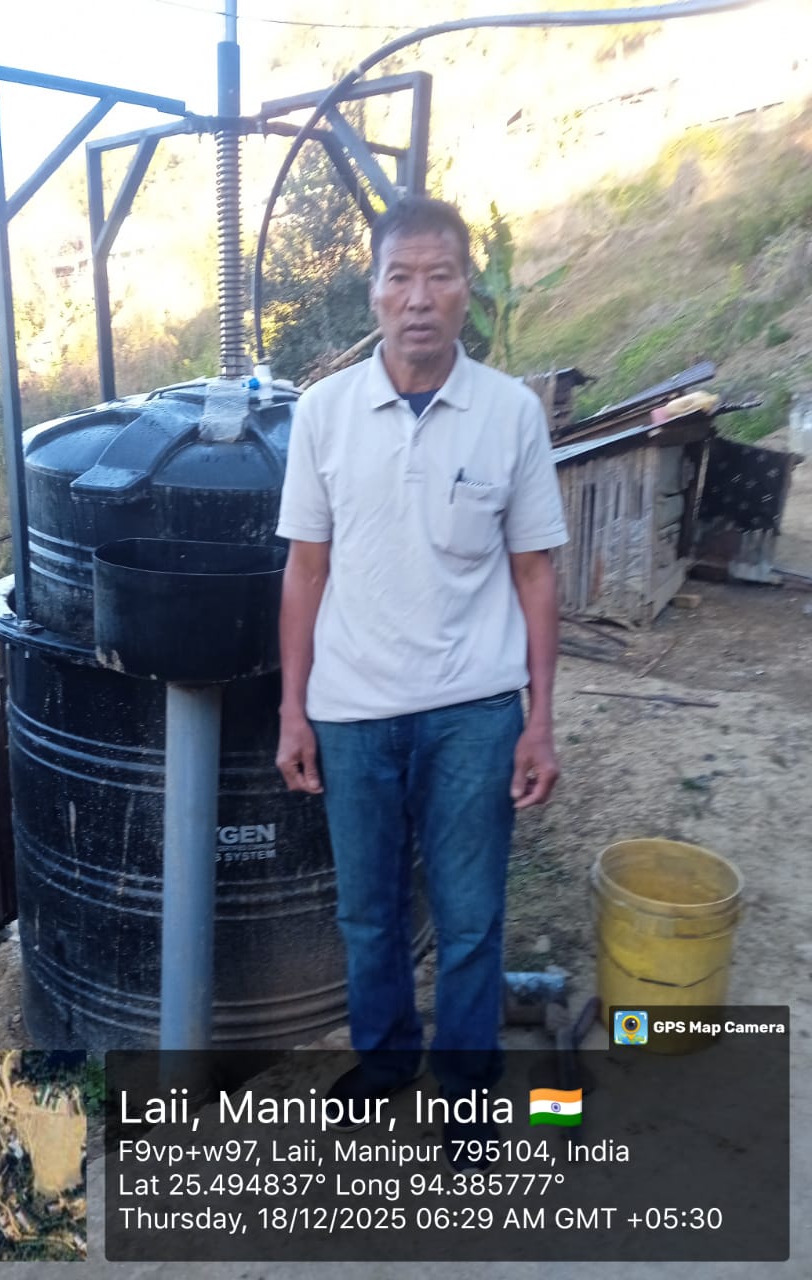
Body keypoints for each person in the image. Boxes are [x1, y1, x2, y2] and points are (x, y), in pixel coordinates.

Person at [274, 195, 568, 1171]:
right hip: (353, 712)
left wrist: (540, 720)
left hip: (474, 713)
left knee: (472, 917)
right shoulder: (322, 414)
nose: (419, 298)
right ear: (374, 291)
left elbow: (535, 573)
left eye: (440, 276)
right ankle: (388, 1056)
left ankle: (468, 1092)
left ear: (467, 291)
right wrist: (293, 710)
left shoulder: (511, 412)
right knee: (368, 913)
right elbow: (304, 569)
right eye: (400, 276)